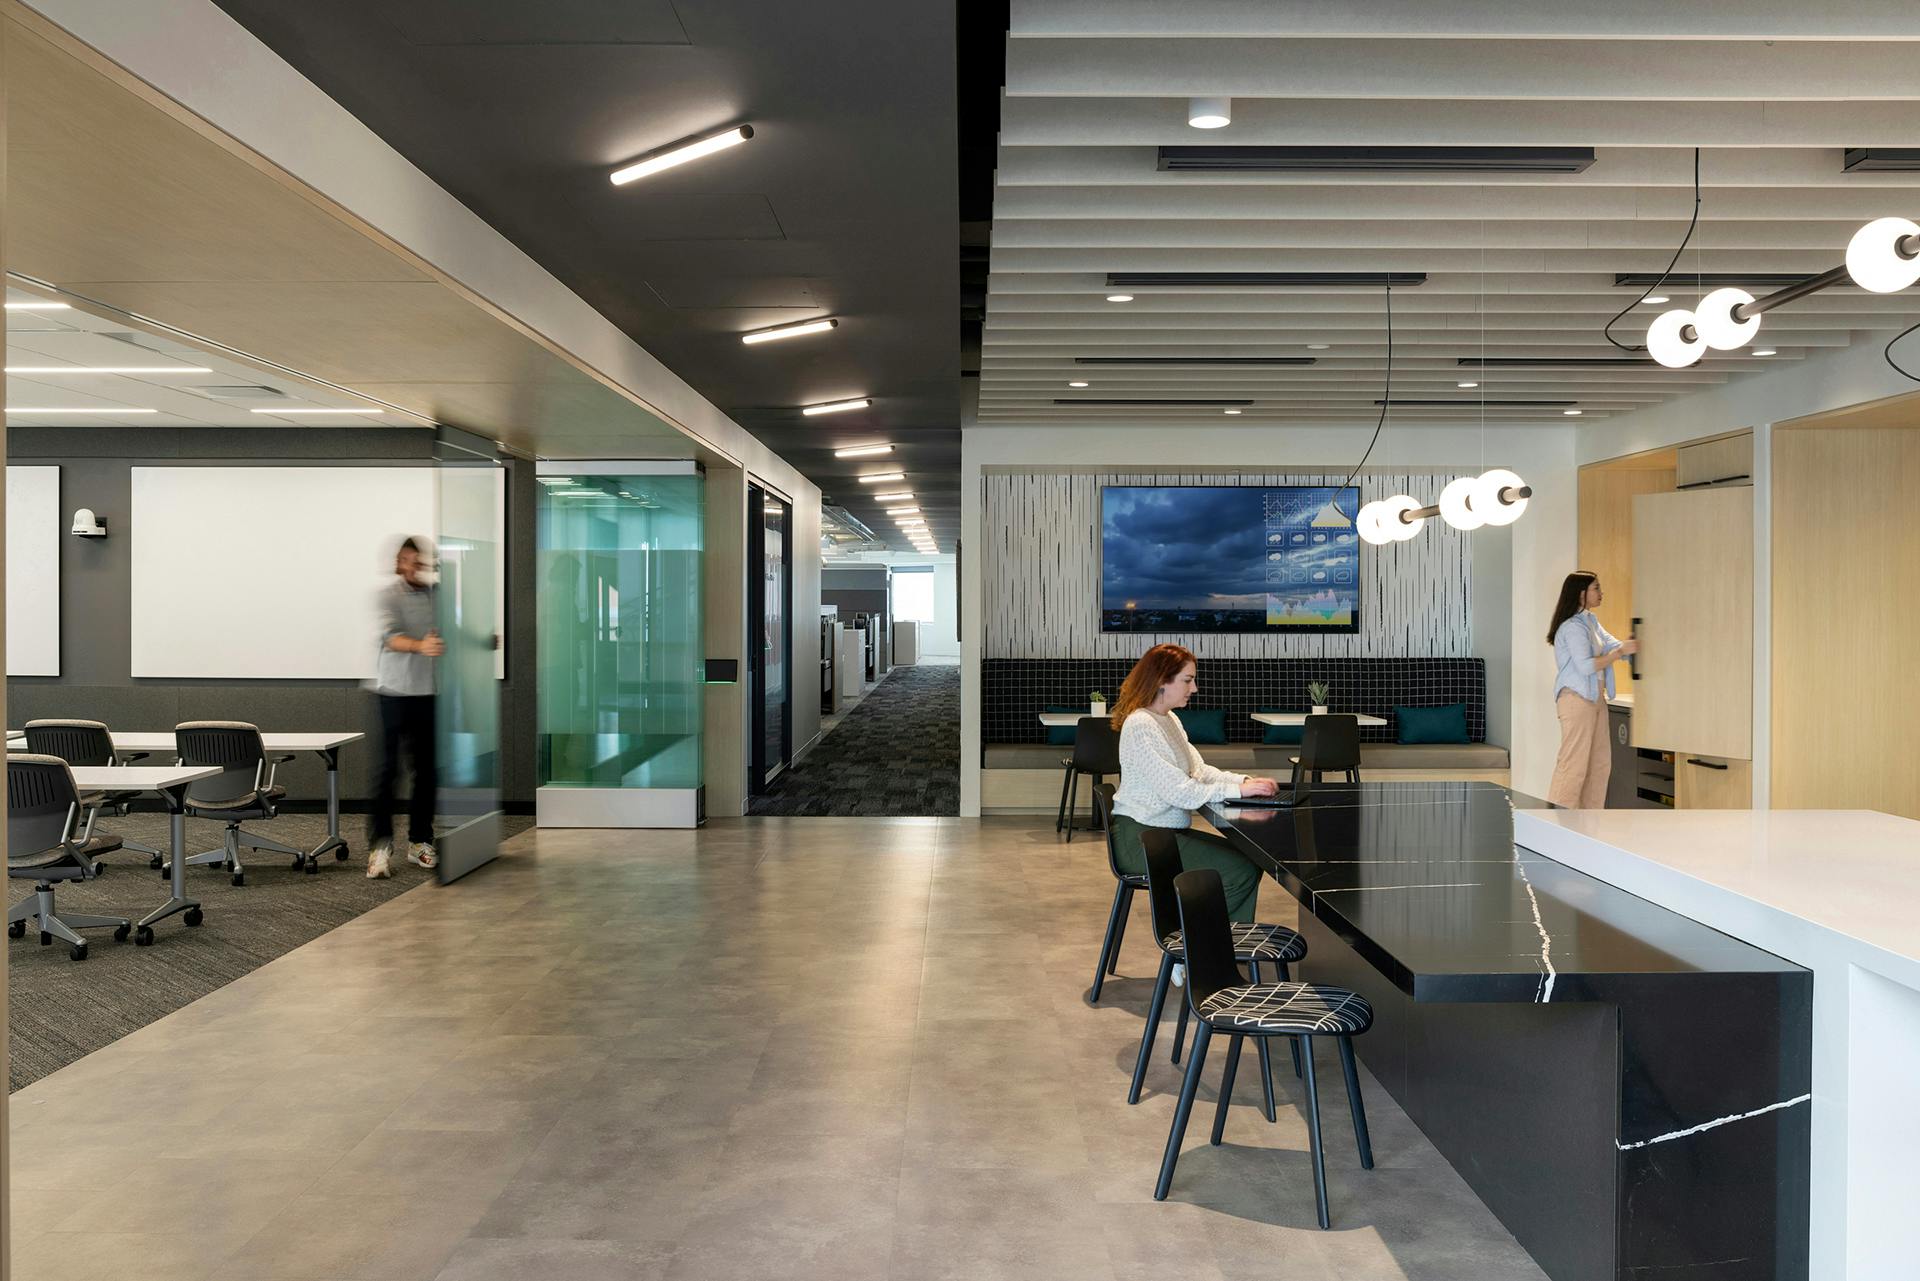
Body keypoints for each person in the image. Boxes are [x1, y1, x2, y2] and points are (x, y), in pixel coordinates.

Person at [1107, 643, 1277, 923]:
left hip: (1163, 834)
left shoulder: (1168, 719)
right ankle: (1196, 952)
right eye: (1187, 680)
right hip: (1142, 840)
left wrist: (1245, 781)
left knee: (1248, 860)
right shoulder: (1141, 725)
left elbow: (1199, 770)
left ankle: (1213, 950)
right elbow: (1178, 792)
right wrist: (1238, 791)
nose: (1194, 688)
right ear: (1162, 680)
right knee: (1240, 870)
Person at [367, 536, 440, 877]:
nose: (415, 564)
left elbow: (453, 631)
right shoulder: (387, 596)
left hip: (428, 693)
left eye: (419, 559)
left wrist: (481, 641)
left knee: (426, 771)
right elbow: (391, 637)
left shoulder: (437, 595)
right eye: (408, 559)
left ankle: (420, 841)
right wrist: (419, 645)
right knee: (388, 772)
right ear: (399, 562)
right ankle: (380, 846)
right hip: (394, 692)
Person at [1546, 571, 1639, 809]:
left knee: (1599, 765)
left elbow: (1614, 645)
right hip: (1576, 699)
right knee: (1574, 764)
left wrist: (1628, 645)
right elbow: (1586, 665)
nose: (1601, 593)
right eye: (1596, 588)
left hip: (1596, 698)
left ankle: (1587, 827)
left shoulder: (1591, 622)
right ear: (1581, 593)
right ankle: (1558, 824)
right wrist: (1619, 653)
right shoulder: (1571, 627)